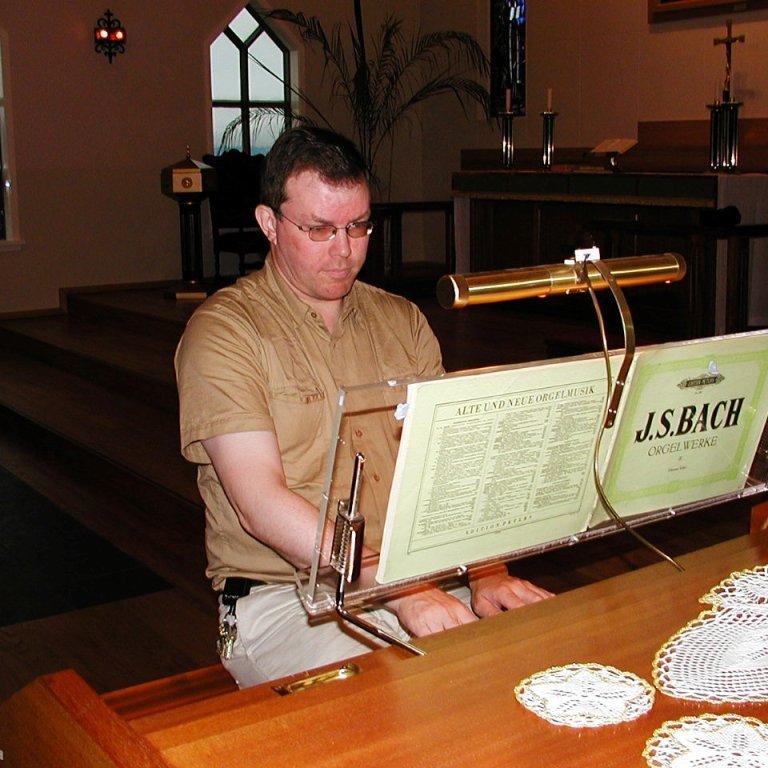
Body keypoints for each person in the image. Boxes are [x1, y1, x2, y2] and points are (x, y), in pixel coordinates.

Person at [175, 127, 552, 688]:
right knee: (408, 696)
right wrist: (398, 590)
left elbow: (450, 467)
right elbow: (260, 502)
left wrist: (487, 572)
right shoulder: (226, 333)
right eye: (319, 229)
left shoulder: (401, 321)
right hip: (288, 600)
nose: (344, 250)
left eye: (357, 226)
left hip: (414, 576)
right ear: (268, 224)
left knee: (542, 662)